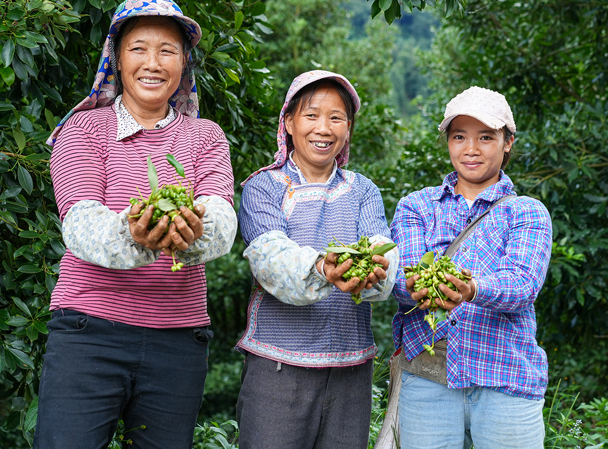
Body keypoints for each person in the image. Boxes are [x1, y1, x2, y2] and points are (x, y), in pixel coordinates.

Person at [34, 0, 237, 449]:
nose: (153, 63)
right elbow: (81, 225)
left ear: (183, 63)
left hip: (178, 337)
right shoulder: (84, 130)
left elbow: (221, 220)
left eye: (167, 51)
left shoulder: (206, 137)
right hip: (89, 331)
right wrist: (135, 232)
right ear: (117, 58)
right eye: (138, 49)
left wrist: (194, 232)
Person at [234, 70, 400, 449]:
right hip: (278, 368)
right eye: (311, 115)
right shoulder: (264, 187)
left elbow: (381, 247)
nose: (323, 128)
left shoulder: (363, 191)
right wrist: (326, 268)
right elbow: (271, 261)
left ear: (348, 128)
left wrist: (378, 270)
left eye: (336, 117)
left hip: (350, 370)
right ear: (289, 122)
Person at [390, 86, 552, 449]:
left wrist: (471, 289)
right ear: (448, 142)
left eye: (486, 137)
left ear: (508, 142)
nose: (471, 149)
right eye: (459, 136)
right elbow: (401, 279)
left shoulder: (526, 211)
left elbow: (522, 285)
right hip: (428, 381)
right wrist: (414, 287)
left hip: (506, 378)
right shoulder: (417, 206)